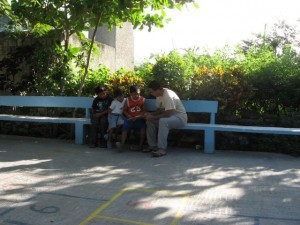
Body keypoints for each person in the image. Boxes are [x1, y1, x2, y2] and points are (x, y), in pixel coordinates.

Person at [143, 80, 187, 157]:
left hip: (180, 118)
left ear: (158, 89)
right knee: (150, 121)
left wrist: (153, 117)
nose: (151, 94)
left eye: (152, 92)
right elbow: (159, 110)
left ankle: (161, 149)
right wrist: (150, 114)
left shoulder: (168, 95)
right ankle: (153, 146)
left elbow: (168, 113)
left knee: (163, 121)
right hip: (170, 117)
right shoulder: (159, 96)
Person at [116, 85, 146, 152]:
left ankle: (140, 145)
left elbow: (144, 111)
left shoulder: (143, 100)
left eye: (138, 94)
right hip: (129, 118)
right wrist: (129, 116)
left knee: (143, 127)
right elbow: (124, 110)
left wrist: (137, 117)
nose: (137, 96)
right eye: (135, 94)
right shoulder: (128, 100)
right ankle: (121, 145)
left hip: (139, 118)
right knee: (125, 127)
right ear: (131, 94)